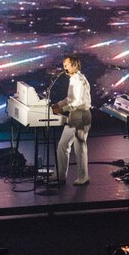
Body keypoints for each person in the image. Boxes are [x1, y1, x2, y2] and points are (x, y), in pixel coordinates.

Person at [51, 55, 91, 185]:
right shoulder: (73, 79)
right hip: (74, 115)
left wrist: (63, 109)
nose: (65, 68)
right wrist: (58, 105)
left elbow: (79, 101)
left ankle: (83, 177)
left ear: (75, 65)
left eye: (67, 65)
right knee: (63, 144)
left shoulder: (79, 80)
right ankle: (60, 175)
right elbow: (70, 98)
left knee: (79, 147)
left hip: (81, 114)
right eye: (64, 65)